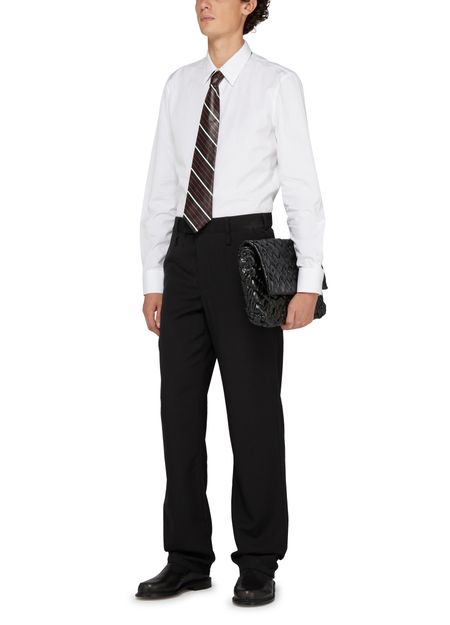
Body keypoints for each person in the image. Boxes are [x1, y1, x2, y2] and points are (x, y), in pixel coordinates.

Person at [136, 0, 325, 607]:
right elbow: (163, 183)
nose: (204, 3)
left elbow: (301, 186)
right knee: (178, 413)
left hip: (247, 252)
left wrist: (309, 280)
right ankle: (187, 557)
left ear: (249, 5)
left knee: (253, 413)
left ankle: (259, 560)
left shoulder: (277, 84)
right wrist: (154, 275)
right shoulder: (179, 84)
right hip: (183, 255)